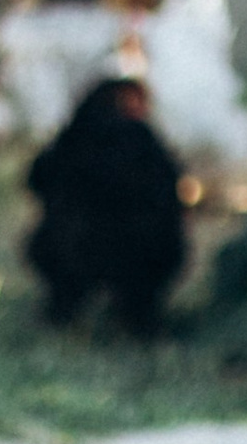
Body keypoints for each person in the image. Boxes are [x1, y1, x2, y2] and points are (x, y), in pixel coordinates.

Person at [25, 67, 187, 335]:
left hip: (75, 243)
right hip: (134, 246)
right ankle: (136, 317)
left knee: (63, 249)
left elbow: (37, 178)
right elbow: (171, 186)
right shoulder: (140, 139)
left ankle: (66, 308)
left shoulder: (74, 138)